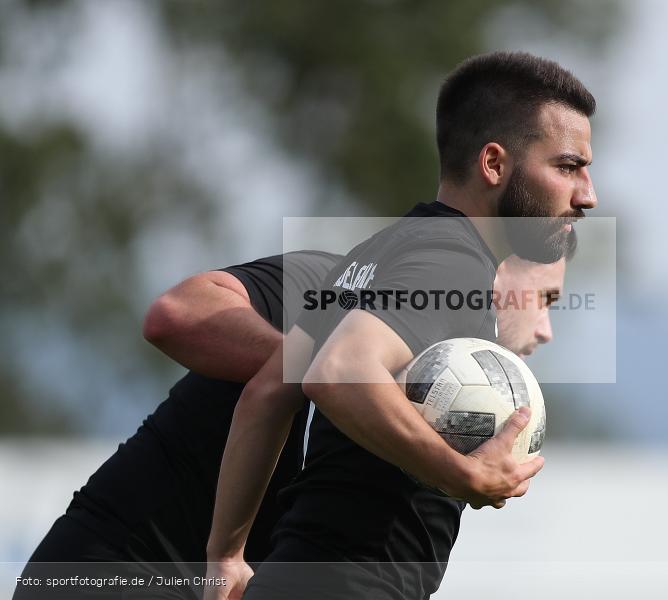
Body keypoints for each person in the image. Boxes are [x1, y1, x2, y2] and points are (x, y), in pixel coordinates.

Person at [206, 51, 596, 600]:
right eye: (568, 167)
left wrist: (225, 555)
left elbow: (267, 393)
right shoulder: (452, 262)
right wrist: (463, 474)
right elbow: (339, 372)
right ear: (493, 164)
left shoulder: (379, 249)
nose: (587, 195)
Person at [13, 247, 570, 600]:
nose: (545, 329)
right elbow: (175, 315)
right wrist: (326, 369)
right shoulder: (343, 288)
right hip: (112, 567)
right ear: (494, 271)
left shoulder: (432, 406)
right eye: (545, 298)